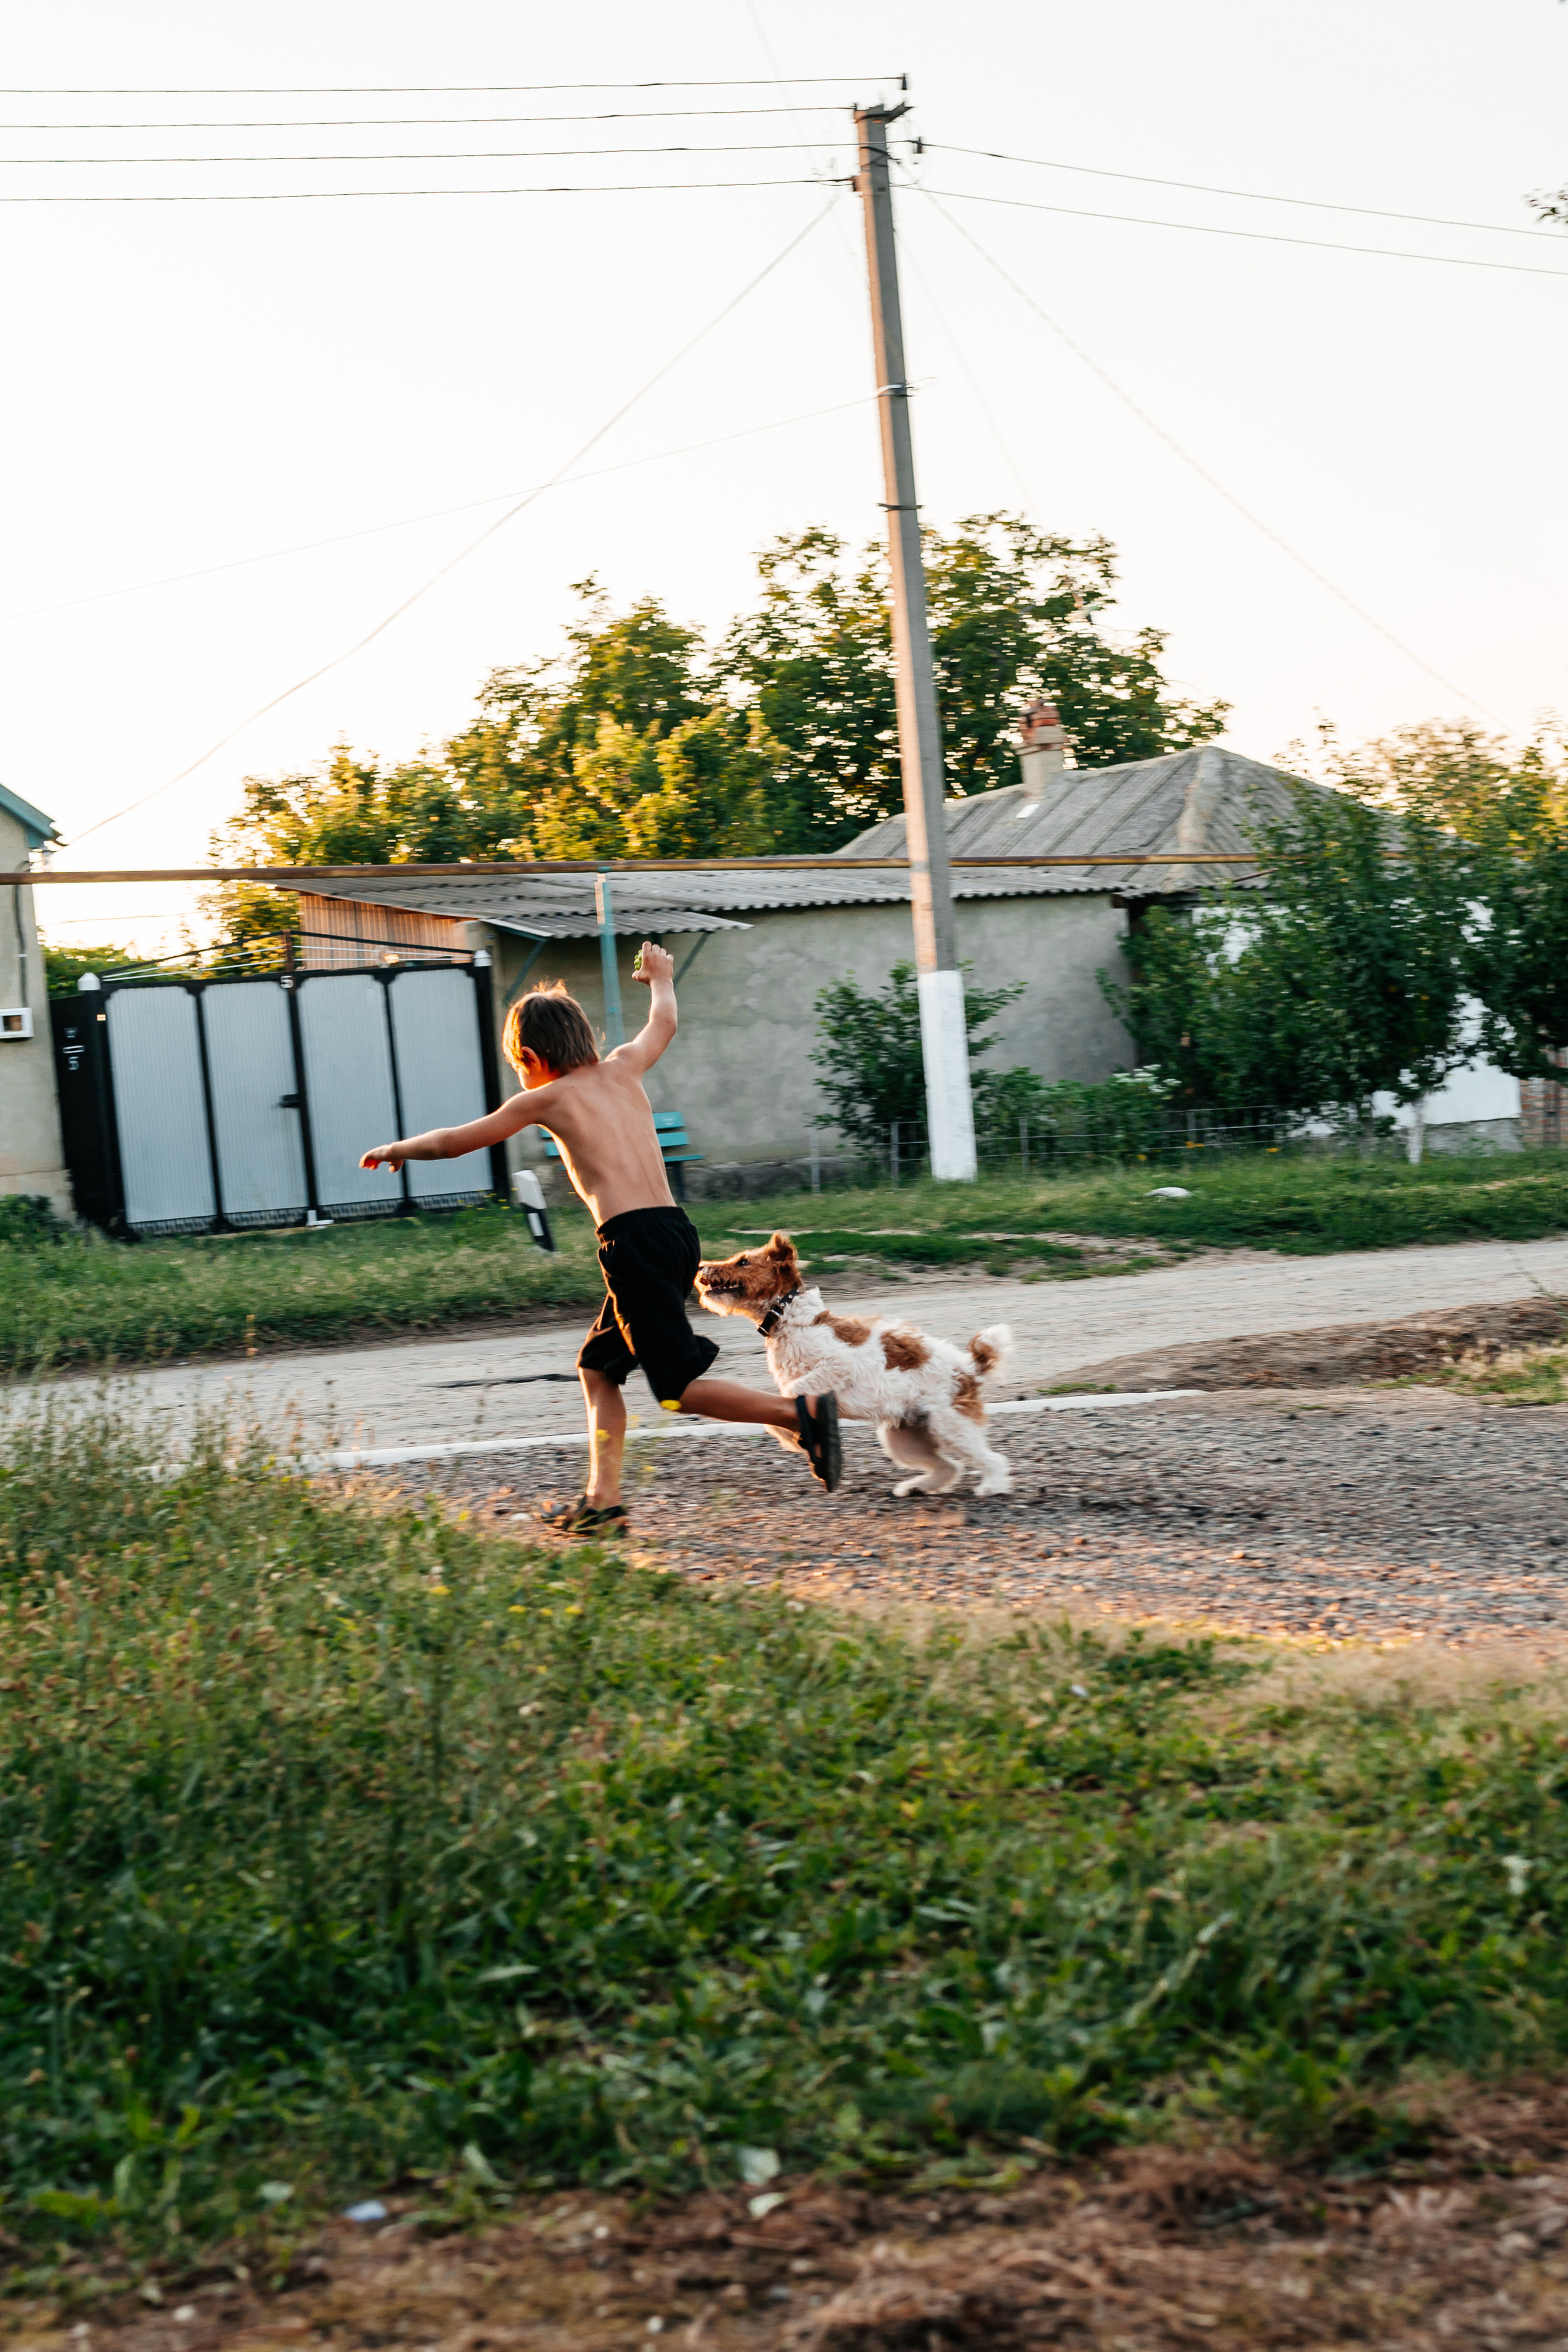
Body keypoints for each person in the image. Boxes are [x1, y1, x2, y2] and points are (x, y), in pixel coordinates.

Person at [359, 942, 840, 1534]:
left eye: (519, 1066)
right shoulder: (622, 1066)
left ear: (531, 1058)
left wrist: (399, 1149)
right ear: (583, 1037)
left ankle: (802, 1413)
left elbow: (459, 1140)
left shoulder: (546, 1098)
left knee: (676, 1390)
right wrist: (661, 977)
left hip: (632, 1244)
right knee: (599, 1366)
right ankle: (602, 1503)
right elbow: (663, 1022)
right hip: (674, 1231)